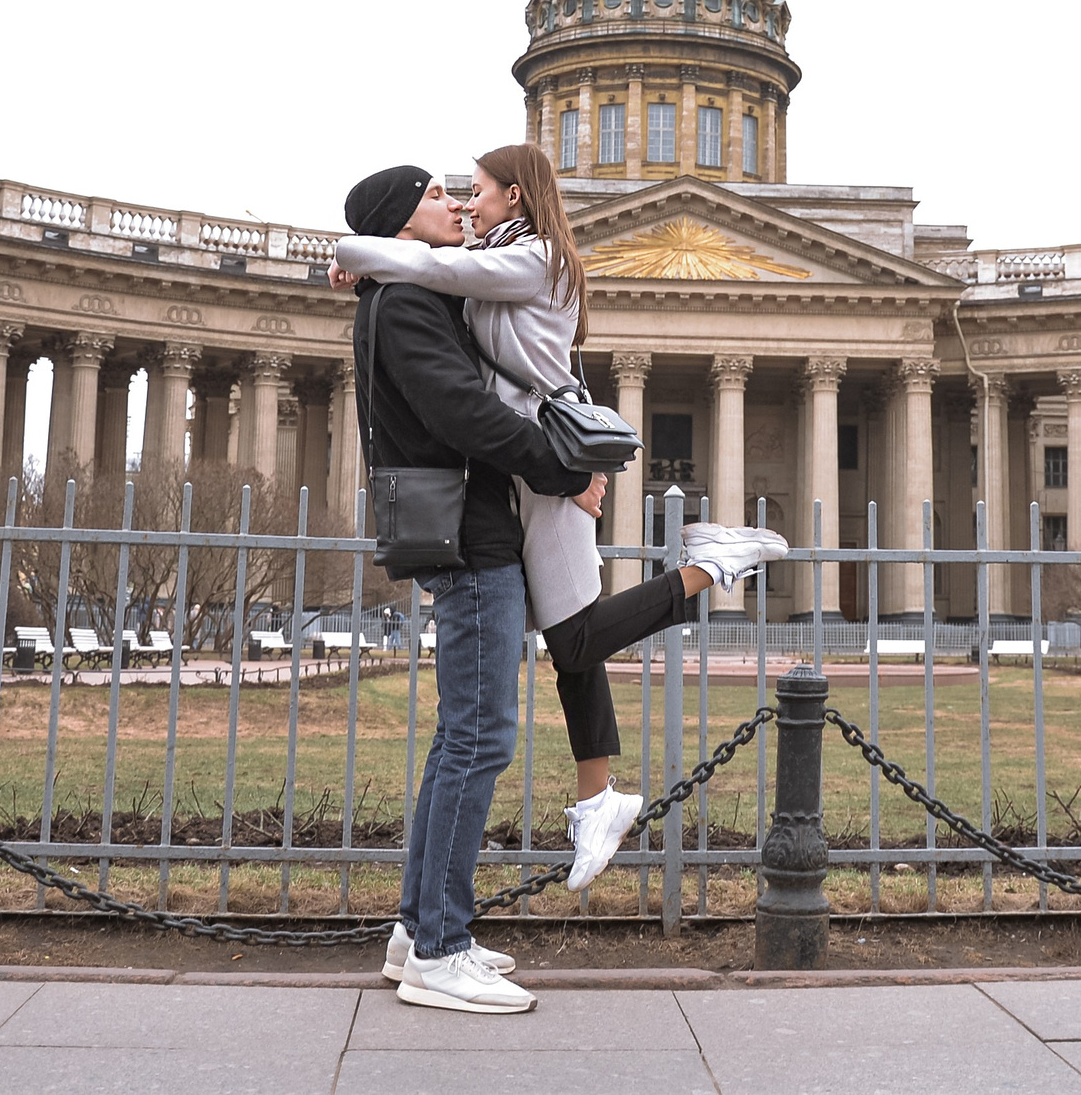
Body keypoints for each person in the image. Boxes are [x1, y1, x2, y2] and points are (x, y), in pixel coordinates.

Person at [334, 144, 788, 897]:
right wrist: (367, 267)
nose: (464, 202)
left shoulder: (532, 258)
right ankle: (596, 798)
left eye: (476, 190)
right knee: (570, 640)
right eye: (449, 194)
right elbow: (433, 275)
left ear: (514, 195)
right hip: (528, 471)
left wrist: (355, 254)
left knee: (572, 638)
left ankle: (712, 563)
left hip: (546, 466)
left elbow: (431, 269)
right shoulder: (492, 256)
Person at [342, 164, 605, 1015]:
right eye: (432, 196)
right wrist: (564, 468)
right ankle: (442, 950)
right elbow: (464, 412)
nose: (455, 203)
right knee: (480, 739)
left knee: (459, 738)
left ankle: (417, 931)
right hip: (474, 538)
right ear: (397, 223)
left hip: (467, 531)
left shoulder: (409, 293)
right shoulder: (408, 303)